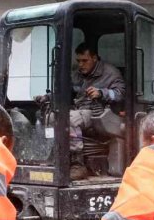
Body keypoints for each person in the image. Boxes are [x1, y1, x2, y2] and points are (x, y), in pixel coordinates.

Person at [38, 43, 125, 180]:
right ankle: (56, 157)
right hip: (79, 109)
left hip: (99, 111)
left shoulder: (111, 73)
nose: (81, 65)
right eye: (78, 61)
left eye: (85, 61)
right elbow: (66, 91)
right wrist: (48, 97)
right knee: (51, 116)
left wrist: (102, 93)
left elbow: (120, 94)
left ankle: (78, 164)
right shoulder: (78, 74)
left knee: (71, 120)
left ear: (94, 58)